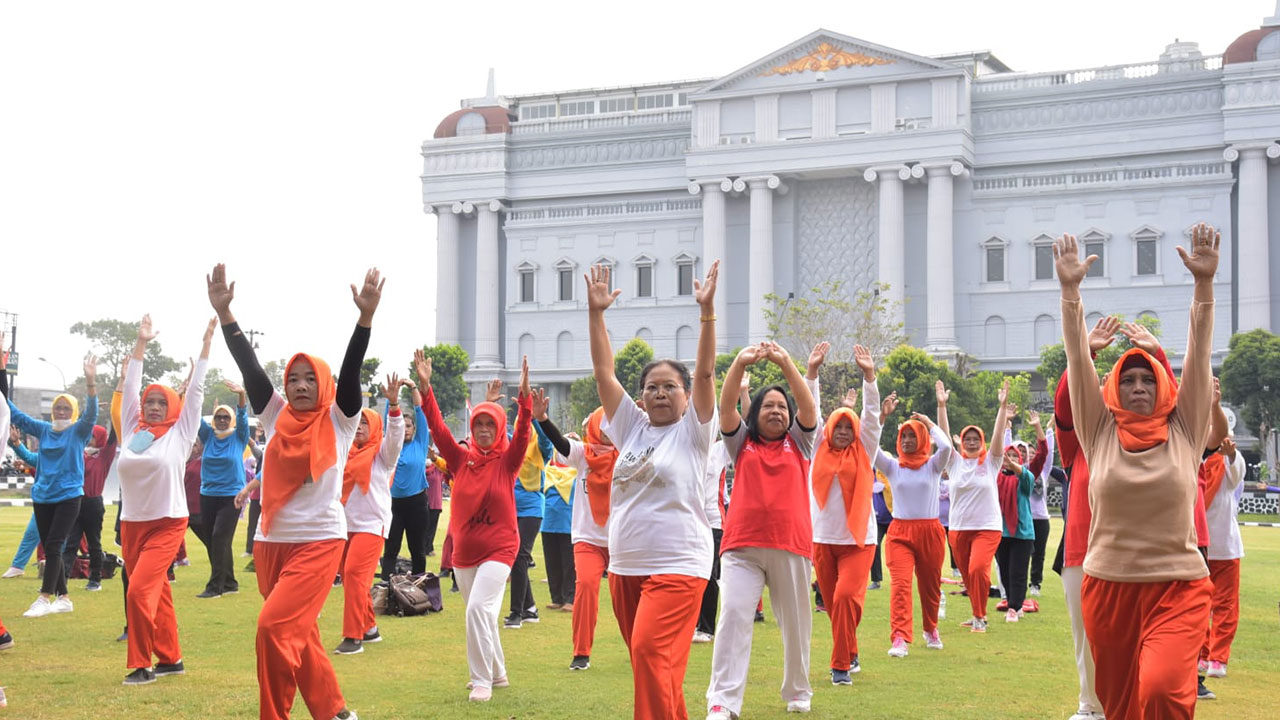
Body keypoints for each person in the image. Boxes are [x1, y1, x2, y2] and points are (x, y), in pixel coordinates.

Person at [1055, 225, 1218, 719]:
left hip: (1178, 587)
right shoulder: (1098, 431)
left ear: (1164, 384)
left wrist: (1203, 286)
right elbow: (1077, 363)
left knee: (1164, 691)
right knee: (1121, 705)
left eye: (1149, 377)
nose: (1140, 385)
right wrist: (1070, 294)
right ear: (1113, 388)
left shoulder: (1186, 428)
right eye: (1129, 378)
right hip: (1107, 590)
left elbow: (1200, 352)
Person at [209, 263, 380, 720]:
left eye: (309, 379)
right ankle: (334, 710)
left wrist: (363, 321)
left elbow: (350, 371)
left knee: (272, 628)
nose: (300, 386)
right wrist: (227, 316)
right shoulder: (275, 416)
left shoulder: (340, 421)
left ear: (322, 385)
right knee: (298, 632)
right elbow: (250, 369)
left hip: (319, 541)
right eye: (293, 379)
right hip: (270, 544)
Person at [587, 261, 718, 720]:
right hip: (626, 566)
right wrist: (596, 314)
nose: (660, 394)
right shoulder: (631, 427)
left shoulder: (694, 432)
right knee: (655, 669)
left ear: (684, 395)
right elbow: (605, 373)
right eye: (651, 388)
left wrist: (706, 315)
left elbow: (705, 376)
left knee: (647, 653)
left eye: (670, 387)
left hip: (679, 564)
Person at [705, 339, 819, 719]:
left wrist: (786, 361)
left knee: (797, 624)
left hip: (791, 545)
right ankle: (723, 701)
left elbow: (808, 407)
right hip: (742, 547)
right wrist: (738, 362)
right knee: (734, 617)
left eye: (781, 407)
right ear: (755, 413)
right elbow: (724, 408)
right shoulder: (741, 443)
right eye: (767, 406)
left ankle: (798, 691)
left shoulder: (801, 442)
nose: (775, 411)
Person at [414, 349, 532, 702]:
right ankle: (498, 673)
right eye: (478, 424)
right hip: (464, 551)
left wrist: (524, 399)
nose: (483, 430)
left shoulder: (507, 461)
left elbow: (523, 431)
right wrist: (426, 385)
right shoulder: (460, 459)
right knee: (478, 614)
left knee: (479, 610)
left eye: (489, 425)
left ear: (498, 430)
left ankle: (480, 679)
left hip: (501, 547)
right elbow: (436, 425)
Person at [117, 315, 213, 685]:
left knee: (139, 590)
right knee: (160, 592)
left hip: (168, 522)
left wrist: (205, 345)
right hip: (132, 524)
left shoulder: (180, 432)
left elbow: (197, 392)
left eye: (161, 402)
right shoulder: (132, 429)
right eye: (149, 401)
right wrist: (141, 343)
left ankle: (140, 664)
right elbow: (130, 386)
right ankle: (171, 659)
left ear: (172, 406)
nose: (154, 406)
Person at [807, 344, 882, 687]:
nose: (842, 432)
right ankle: (850, 650)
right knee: (837, 607)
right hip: (822, 540)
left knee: (845, 598)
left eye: (847, 428)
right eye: (837, 427)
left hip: (858, 542)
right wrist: (812, 374)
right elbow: (812, 411)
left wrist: (869, 377)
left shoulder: (865, 450)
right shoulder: (816, 447)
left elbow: (870, 416)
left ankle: (839, 667)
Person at [9, 350, 99, 618]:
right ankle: (65, 598)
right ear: (52, 411)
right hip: (43, 496)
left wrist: (90, 382)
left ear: (73, 412)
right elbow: (16, 415)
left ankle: (43, 598)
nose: (61, 411)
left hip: (69, 495)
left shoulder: (79, 431)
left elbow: (92, 414)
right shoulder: (44, 430)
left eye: (66, 408)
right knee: (52, 546)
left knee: (54, 545)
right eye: (58, 407)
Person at [874, 381, 955, 656]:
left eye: (912, 436)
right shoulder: (893, 466)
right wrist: (881, 418)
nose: (907, 440)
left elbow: (946, 448)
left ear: (922, 439)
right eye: (904, 436)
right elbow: (869, 448)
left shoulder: (933, 466)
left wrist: (929, 422)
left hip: (930, 531)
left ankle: (930, 628)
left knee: (930, 586)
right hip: (900, 533)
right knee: (900, 585)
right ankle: (899, 637)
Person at [536, 403, 617, 671]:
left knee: (628, 599)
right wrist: (543, 418)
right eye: (601, 424)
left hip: (621, 540)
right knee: (586, 588)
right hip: (588, 539)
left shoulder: (628, 453)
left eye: (611, 424)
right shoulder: (583, 453)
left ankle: (639, 647)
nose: (605, 430)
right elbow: (559, 442)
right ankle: (581, 653)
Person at [334, 375, 406, 655]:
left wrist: (394, 406)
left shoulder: (383, 455)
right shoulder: (345, 453)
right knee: (352, 578)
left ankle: (353, 638)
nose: (360, 427)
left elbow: (396, 438)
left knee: (353, 575)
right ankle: (370, 628)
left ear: (375, 427)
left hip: (372, 525)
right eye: (357, 423)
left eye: (365, 423)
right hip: (344, 526)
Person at [944, 380, 1011, 634]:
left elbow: (997, 439)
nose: (971, 443)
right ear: (961, 442)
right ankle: (975, 614)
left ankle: (980, 618)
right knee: (968, 575)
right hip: (959, 529)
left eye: (975, 439)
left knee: (978, 570)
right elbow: (942, 434)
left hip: (987, 527)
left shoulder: (990, 463)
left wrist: (1002, 408)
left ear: (981, 441)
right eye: (967, 439)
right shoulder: (954, 463)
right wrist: (942, 406)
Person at [695, 374, 749, 644]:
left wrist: (742, 394)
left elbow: (745, 427)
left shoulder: (719, 450)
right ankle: (692, 624)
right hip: (688, 521)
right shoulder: (688, 447)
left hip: (714, 522)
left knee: (709, 574)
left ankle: (706, 627)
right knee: (691, 574)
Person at [1199, 409, 1246, 678]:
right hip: (1200, 547)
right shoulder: (1198, 459)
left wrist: (1228, 454)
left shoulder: (1226, 462)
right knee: (1200, 605)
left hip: (1226, 547)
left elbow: (1237, 473)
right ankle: (1203, 655)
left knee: (1225, 606)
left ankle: (1219, 658)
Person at [196, 381, 251, 598]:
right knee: (213, 540)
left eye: (225, 417)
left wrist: (241, 395)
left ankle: (215, 586)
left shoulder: (239, 437)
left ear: (232, 420)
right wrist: (191, 392)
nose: (221, 421)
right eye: (218, 417)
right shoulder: (208, 436)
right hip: (208, 494)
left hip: (232, 496)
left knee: (220, 536)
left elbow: (244, 417)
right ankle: (229, 582)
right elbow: (195, 417)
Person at [506, 380, 553, 629]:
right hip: (510, 507)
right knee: (515, 556)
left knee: (521, 556)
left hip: (533, 507)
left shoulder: (540, 448)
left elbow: (547, 443)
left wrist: (535, 418)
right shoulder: (512, 446)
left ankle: (516, 613)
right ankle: (530, 608)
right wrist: (491, 404)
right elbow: (492, 433)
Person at [381, 377, 430, 580]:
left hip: (417, 503)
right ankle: (385, 585)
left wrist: (412, 387)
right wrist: (391, 398)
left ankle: (419, 584)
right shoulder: (391, 445)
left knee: (417, 548)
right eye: (403, 425)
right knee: (391, 547)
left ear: (414, 429)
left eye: (409, 426)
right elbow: (387, 419)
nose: (406, 429)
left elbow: (421, 411)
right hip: (393, 503)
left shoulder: (420, 442)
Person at [62, 421, 116, 592]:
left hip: (93, 503)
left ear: (100, 438)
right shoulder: (80, 453)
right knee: (71, 543)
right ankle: (61, 580)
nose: (89, 439)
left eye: (92, 436)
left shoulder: (104, 455)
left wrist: (118, 405)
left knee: (94, 543)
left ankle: (95, 579)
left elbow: (113, 437)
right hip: (76, 501)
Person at [994, 442, 1034, 624]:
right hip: (1001, 533)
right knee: (1005, 572)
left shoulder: (1024, 478)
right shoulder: (996, 478)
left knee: (1017, 572)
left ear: (1021, 459)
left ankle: (1014, 607)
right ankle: (1014, 604)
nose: (1010, 459)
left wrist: (1013, 466)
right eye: (1007, 455)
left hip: (1022, 533)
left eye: (1014, 455)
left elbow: (1026, 477)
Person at [540, 427, 577, 613]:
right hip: (548, 522)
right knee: (552, 561)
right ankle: (556, 597)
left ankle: (570, 598)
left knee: (569, 563)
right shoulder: (547, 469)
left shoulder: (578, 471)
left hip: (569, 523)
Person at [1026, 411, 1054, 597]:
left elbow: (1048, 452)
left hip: (1041, 518)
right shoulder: (1017, 472)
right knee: (1020, 554)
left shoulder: (1042, 472)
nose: (1027, 455)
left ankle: (1035, 584)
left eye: (1030, 452)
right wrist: (1007, 429)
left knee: (1039, 554)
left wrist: (1048, 429)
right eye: (1024, 452)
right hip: (1023, 518)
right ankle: (1014, 584)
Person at [424, 447, 446, 555]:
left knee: (432, 528)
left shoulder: (438, 469)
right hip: (424, 502)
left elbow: (444, 457)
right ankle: (424, 548)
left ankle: (429, 548)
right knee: (423, 527)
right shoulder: (421, 468)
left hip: (435, 503)